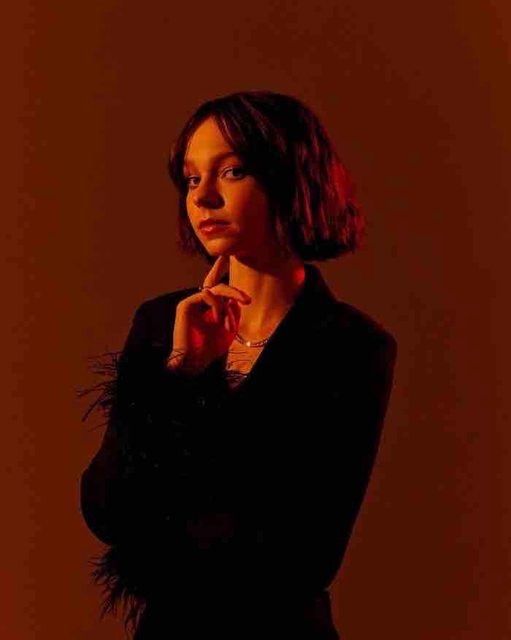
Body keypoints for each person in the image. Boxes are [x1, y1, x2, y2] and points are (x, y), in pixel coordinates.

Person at [79, 90, 398, 639]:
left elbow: (304, 556)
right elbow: (108, 510)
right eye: (190, 178)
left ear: (290, 178)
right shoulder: (161, 322)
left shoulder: (352, 345)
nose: (203, 197)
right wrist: (181, 372)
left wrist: (175, 517)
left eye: (232, 172)